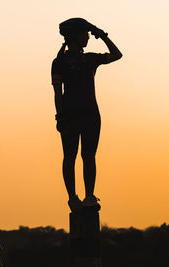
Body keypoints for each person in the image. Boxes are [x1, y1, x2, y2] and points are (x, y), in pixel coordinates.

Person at [51, 18, 122, 212]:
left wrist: (102, 34)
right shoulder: (59, 62)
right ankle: (73, 198)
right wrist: (60, 116)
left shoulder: (90, 59)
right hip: (70, 116)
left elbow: (117, 55)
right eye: (85, 33)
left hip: (91, 115)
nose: (88, 37)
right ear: (74, 36)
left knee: (89, 156)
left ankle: (89, 196)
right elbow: (58, 93)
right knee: (70, 156)